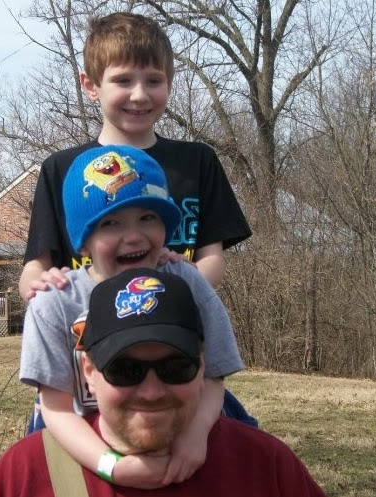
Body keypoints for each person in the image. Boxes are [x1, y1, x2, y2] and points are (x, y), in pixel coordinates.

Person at [0, 269, 327, 497]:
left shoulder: (265, 468)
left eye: (175, 367)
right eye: (125, 370)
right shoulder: (26, 474)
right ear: (89, 372)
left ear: (202, 367)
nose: (152, 392)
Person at [20, 144, 244, 487]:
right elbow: (56, 408)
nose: (134, 236)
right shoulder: (55, 303)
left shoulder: (185, 282)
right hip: (84, 443)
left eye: (148, 218)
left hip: (181, 429)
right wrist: (111, 465)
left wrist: (196, 434)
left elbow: (214, 374)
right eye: (111, 223)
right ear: (84, 242)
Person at [19, 12, 251, 302]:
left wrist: (163, 298)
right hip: (89, 324)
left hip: (175, 319)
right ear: (90, 85)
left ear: (170, 83)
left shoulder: (198, 161)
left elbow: (212, 260)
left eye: (153, 80)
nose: (140, 94)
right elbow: (35, 267)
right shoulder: (62, 169)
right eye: (123, 80)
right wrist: (41, 286)